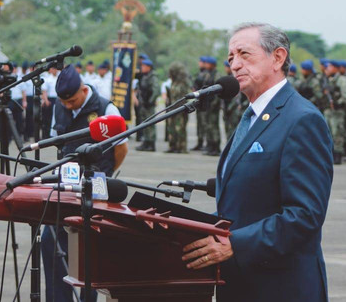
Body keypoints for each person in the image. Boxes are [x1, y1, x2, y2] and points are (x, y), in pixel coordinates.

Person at [182, 22, 333, 301]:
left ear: (278, 58)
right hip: (241, 282)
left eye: (244, 54)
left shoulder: (301, 119)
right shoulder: (251, 117)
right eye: (230, 58)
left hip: (281, 286)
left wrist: (234, 244)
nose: (235, 65)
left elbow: (305, 215)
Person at [41, 64, 128, 302]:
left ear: (82, 89)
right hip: (66, 184)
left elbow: (121, 148)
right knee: (50, 241)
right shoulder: (59, 107)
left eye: (72, 100)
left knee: (88, 247)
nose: (68, 106)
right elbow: (56, 141)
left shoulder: (105, 107)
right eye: (64, 102)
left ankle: (88, 298)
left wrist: (105, 173)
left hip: (96, 184)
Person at [135, 59, 160, 151]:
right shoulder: (145, 76)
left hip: (148, 104)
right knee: (144, 123)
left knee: (150, 123)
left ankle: (151, 143)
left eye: (143, 66)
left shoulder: (152, 77)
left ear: (148, 67)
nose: (141, 68)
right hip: (143, 103)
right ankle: (146, 142)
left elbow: (156, 90)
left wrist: (150, 101)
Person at [165, 62, 189, 153]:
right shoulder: (173, 83)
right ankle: (173, 146)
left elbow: (184, 97)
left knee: (180, 128)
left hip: (180, 110)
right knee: (171, 128)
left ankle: (181, 147)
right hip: (172, 109)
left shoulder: (183, 83)